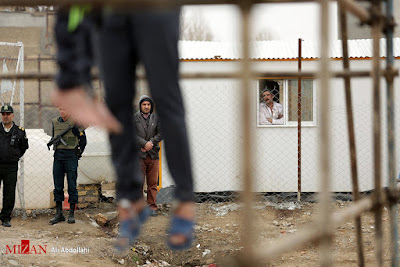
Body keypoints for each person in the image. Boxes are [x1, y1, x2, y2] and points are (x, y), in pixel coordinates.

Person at [52, 6, 195, 251]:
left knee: (167, 99)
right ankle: (130, 200)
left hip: (156, 9)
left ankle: (185, 200)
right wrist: (69, 71)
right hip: (110, 13)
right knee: (117, 106)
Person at [49, 107, 86, 225]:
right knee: (58, 186)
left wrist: (78, 154)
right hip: (58, 156)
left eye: (65, 109)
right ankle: (59, 213)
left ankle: (71, 213)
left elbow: (83, 140)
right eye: (61, 109)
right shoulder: (55, 122)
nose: (62, 111)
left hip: (71, 156)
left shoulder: (76, 122)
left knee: (72, 186)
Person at [0, 105, 29, 227]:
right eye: (3, 114)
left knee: (9, 193)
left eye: (8, 114)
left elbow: (23, 147)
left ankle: (5, 218)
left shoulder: (19, 131)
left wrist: (14, 155)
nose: (5, 116)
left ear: (12, 115)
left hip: (11, 166)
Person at [135, 95, 163, 217]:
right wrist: (143, 144)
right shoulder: (134, 118)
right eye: (144, 104)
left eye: (148, 105)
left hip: (153, 155)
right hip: (139, 155)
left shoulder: (156, 118)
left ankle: (152, 206)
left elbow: (161, 132)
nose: (146, 107)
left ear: (151, 106)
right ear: (140, 106)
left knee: (152, 183)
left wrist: (151, 143)